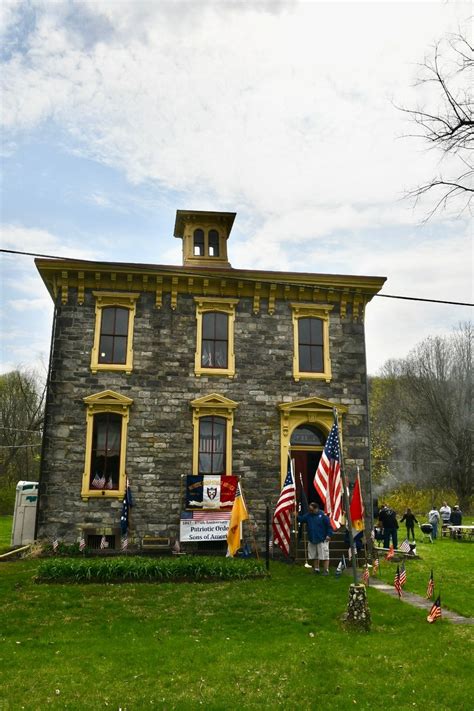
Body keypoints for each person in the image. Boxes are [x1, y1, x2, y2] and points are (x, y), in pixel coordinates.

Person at [297, 502, 333, 575]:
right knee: (314, 555)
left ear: (316, 508)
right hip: (312, 539)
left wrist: (329, 535)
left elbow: (329, 526)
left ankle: (326, 570)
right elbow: (301, 519)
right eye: (310, 510)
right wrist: (296, 515)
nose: (310, 511)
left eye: (312, 510)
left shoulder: (323, 515)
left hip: (322, 539)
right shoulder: (308, 515)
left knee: (324, 556)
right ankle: (316, 569)